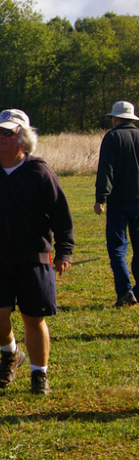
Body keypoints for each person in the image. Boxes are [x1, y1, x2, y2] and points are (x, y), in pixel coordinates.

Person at [0, 109, 73, 396]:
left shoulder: (40, 172)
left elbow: (60, 213)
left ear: (23, 139)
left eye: (7, 133)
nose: (0, 137)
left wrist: (64, 251)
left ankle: (40, 375)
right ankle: (11, 352)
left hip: (33, 258)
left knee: (33, 318)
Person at [94, 101, 139, 307]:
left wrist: (101, 198)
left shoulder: (112, 137)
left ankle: (124, 291)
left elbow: (106, 170)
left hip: (118, 202)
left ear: (116, 118)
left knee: (118, 249)